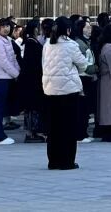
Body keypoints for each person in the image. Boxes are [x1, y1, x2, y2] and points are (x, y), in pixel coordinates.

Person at [42, 16, 87, 170]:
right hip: (68, 90)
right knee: (68, 127)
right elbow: (83, 64)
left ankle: (53, 161)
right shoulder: (71, 45)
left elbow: (44, 64)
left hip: (50, 89)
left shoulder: (47, 44)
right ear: (68, 29)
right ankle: (67, 161)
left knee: (53, 127)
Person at [0, 17, 19, 145]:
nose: (6, 29)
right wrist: (16, 73)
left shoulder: (7, 40)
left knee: (0, 107)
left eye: (8, 26)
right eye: (3, 26)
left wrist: (17, 71)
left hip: (7, 77)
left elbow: (13, 59)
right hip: (2, 78)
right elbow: (4, 62)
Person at [70, 17, 97, 143]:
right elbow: (84, 64)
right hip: (83, 77)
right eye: (87, 27)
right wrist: (94, 68)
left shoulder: (84, 42)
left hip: (86, 77)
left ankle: (83, 132)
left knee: (84, 109)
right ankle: (80, 134)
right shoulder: (79, 44)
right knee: (81, 108)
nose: (90, 29)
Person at [19, 19, 46, 143]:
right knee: (32, 107)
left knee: (33, 107)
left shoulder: (32, 42)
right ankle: (31, 133)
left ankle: (34, 132)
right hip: (32, 80)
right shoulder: (31, 43)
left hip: (32, 79)